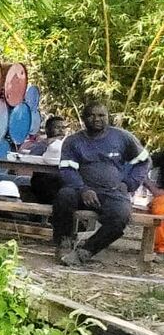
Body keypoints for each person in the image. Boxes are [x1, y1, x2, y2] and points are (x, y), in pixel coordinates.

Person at [52, 101, 149, 266]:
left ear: (108, 117)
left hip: (112, 193)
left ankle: (85, 251)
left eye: (101, 115)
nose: (96, 119)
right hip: (81, 191)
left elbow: (144, 161)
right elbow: (68, 169)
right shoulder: (73, 141)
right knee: (63, 196)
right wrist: (83, 189)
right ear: (83, 119)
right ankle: (64, 243)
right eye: (91, 115)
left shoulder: (123, 137)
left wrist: (129, 183)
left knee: (120, 217)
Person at [25, 115, 68, 203]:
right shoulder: (41, 144)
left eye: (63, 128)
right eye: (57, 127)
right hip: (43, 183)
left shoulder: (69, 145)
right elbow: (32, 157)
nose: (61, 130)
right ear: (47, 130)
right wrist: (48, 144)